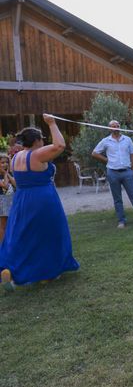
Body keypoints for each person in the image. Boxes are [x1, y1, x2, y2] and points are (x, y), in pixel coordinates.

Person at [0, 115, 80, 291]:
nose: (43, 141)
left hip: (22, 200)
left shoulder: (16, 157)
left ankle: (12, 269)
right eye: (42, 138)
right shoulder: (36, 154)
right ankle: (47, 273)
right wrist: (52, 123)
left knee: (24, 234)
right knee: (48, 234)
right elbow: (60, 145)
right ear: (36, 141)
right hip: (42, 199)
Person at [92, 120, 133, 228]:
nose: (116, 127)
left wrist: (132, 169)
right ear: (110, 128)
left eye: (117, 125)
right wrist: (106, 160)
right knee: (117, 199)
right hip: (113, 173)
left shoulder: (127, 139)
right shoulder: (105, 141)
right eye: (113, 126)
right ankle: (121, 221)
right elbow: (94, 153)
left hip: (127, 172)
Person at [0, 154, 16, 243]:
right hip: (1, 201)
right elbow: (5, 186)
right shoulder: (4, 175)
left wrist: (7, 174)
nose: (5, 164)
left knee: (12, 222)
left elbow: (16, 184)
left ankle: (10, 241)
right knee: (3, 224)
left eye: (6, 162)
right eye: (2, 163)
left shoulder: (9, 174)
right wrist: (5, 174)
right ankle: (3, 244)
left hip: (11, 200)